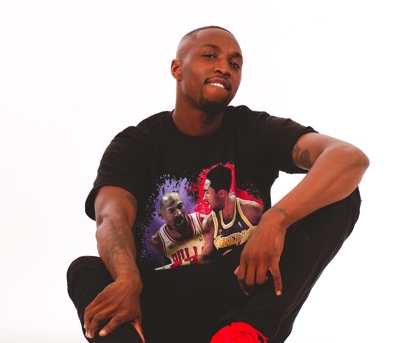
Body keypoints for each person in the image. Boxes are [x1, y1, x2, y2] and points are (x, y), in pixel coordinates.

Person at [67, 25, 369, 343]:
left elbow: (348, 158)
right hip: (159, 305)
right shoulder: (136, 145)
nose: (224, 67)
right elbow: (111, 218)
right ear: (177, 68)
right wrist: (127, 278)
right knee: (85, 271)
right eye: (210, 56)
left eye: (235, 64)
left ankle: (244, 334)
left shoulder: (254, 130)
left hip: (240, 298)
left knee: (341, 195)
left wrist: (275, 220)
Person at [201, 164, 263, 260]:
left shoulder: (252, 211)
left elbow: (268, 240)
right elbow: (205, 257)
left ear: (221, 193)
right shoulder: (209, 223)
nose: (204, 198)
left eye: (207, 192)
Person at [150, 191, 206, 268]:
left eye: (180, 207)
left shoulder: (202, 222)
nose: (178, 213)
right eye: (171, 211)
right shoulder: (158, 241)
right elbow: (167, 263)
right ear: (161, 215)